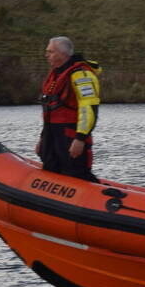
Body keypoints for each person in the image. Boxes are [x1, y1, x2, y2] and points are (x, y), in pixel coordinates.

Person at [35, 36, 102, 181]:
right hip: (51, 134)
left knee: (76, 173)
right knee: (51, 169)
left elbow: (89, 109)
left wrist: (80, 138)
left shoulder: (81, 75)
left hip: (70, 134)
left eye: (51, 52)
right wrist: (43, 138)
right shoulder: (55, 73)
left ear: (63, 54)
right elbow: (50, 111)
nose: (47, 55)